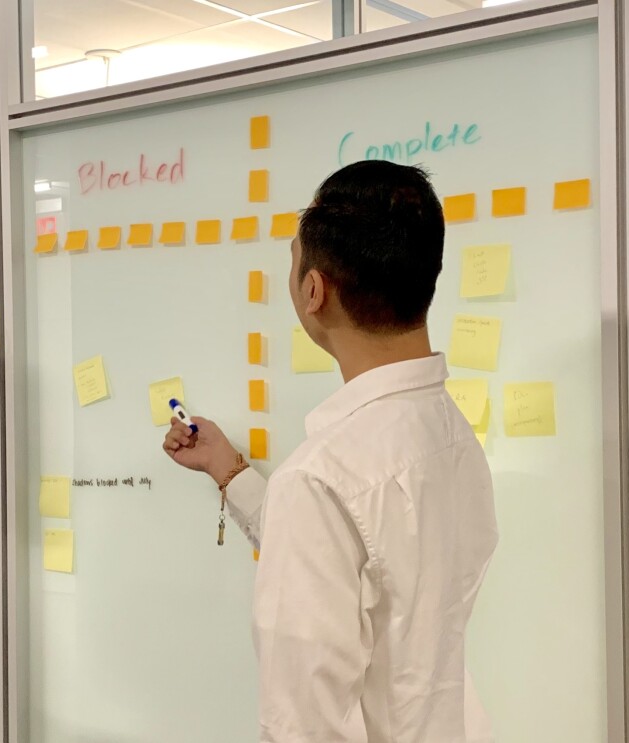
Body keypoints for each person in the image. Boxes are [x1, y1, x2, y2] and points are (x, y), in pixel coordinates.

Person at [164, 161, 498, 742]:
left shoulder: (321, 479)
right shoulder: (449, 430)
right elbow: (368, 558)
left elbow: (302, 725)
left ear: (313, 291)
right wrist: (230, 472)